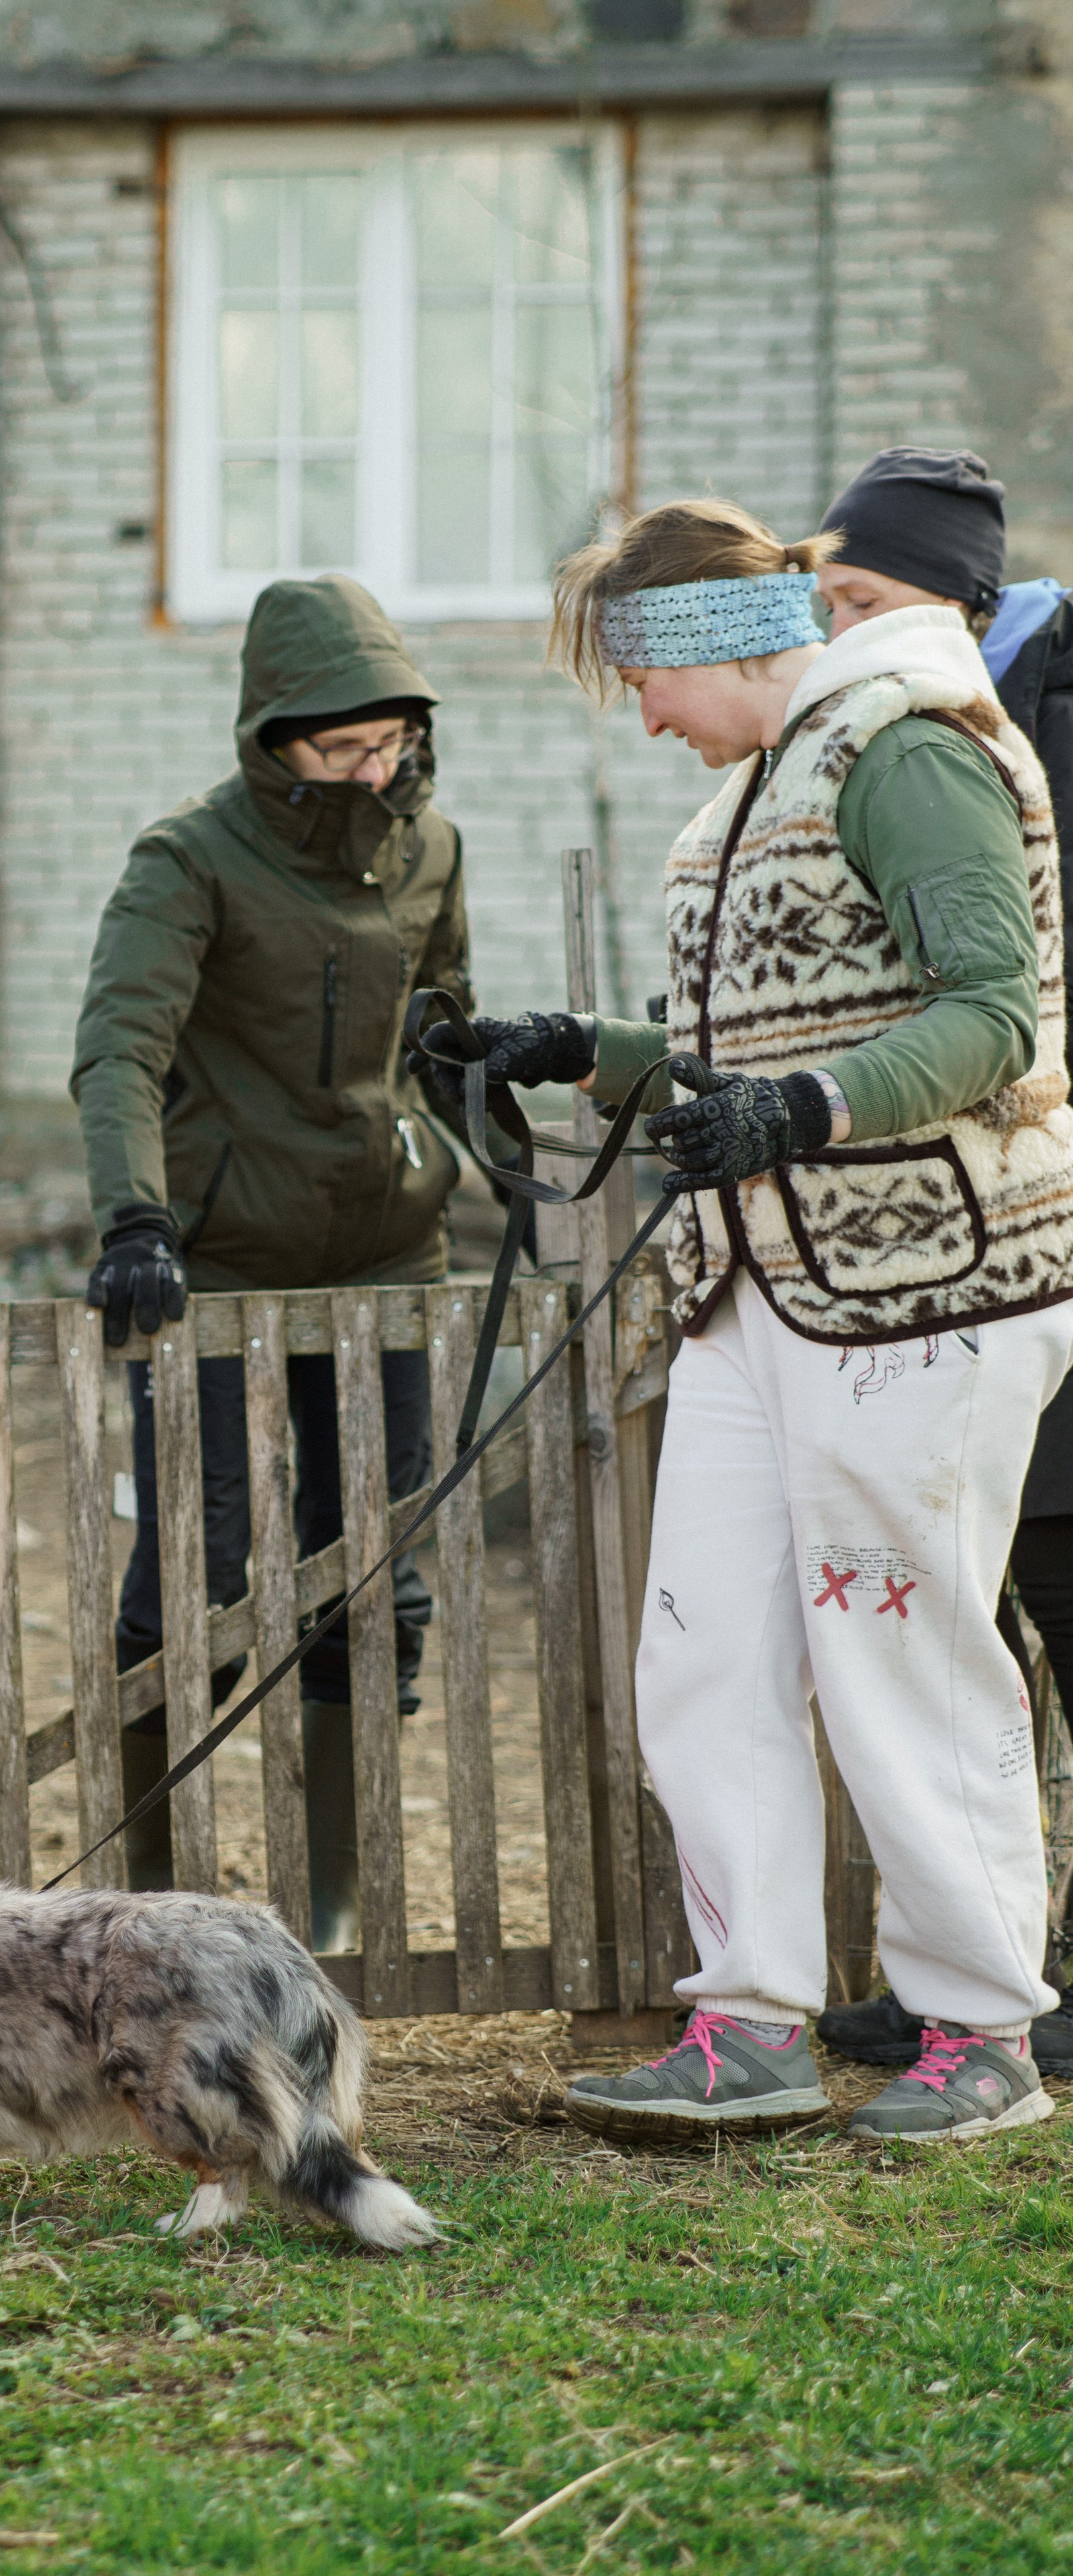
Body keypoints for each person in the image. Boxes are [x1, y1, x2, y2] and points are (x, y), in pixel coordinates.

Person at [416, 497, 1073, 2142]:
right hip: (755, 1288)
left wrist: (802, 1110)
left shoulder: (907, 750)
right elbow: (768, 1019)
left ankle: (980, 2030)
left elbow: (988, 1013)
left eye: (642, 673)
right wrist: (584, 1047)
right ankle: (752, 2018)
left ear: (715, 643)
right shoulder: (750, 788)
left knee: (901, 1653)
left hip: (923, 1285)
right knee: (703, 1654)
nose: (640, 713)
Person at [72, 575, 473, 1951]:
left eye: (389, 744)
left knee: (375, 1575)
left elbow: (440, 1025)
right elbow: (118, 1046)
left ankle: (334, 1908)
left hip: (384, 1259)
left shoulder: (432, 850)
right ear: (272, 739)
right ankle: (155, 1912)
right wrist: (135, 1218)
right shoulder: (186, 860)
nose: (373, 769)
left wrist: (483, 1129)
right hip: (220, 1269)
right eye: (340, 747)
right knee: (199, 1570)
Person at [806, 448, 1073, 2076]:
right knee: (963, 1618)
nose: (842, 634)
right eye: (827, 604)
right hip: (967, 1229)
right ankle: (974, 1962)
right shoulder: (909, 717)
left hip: (1044, 1203)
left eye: (864, 602)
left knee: (1057, 1595)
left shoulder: (1017, 706)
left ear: (961, 603)